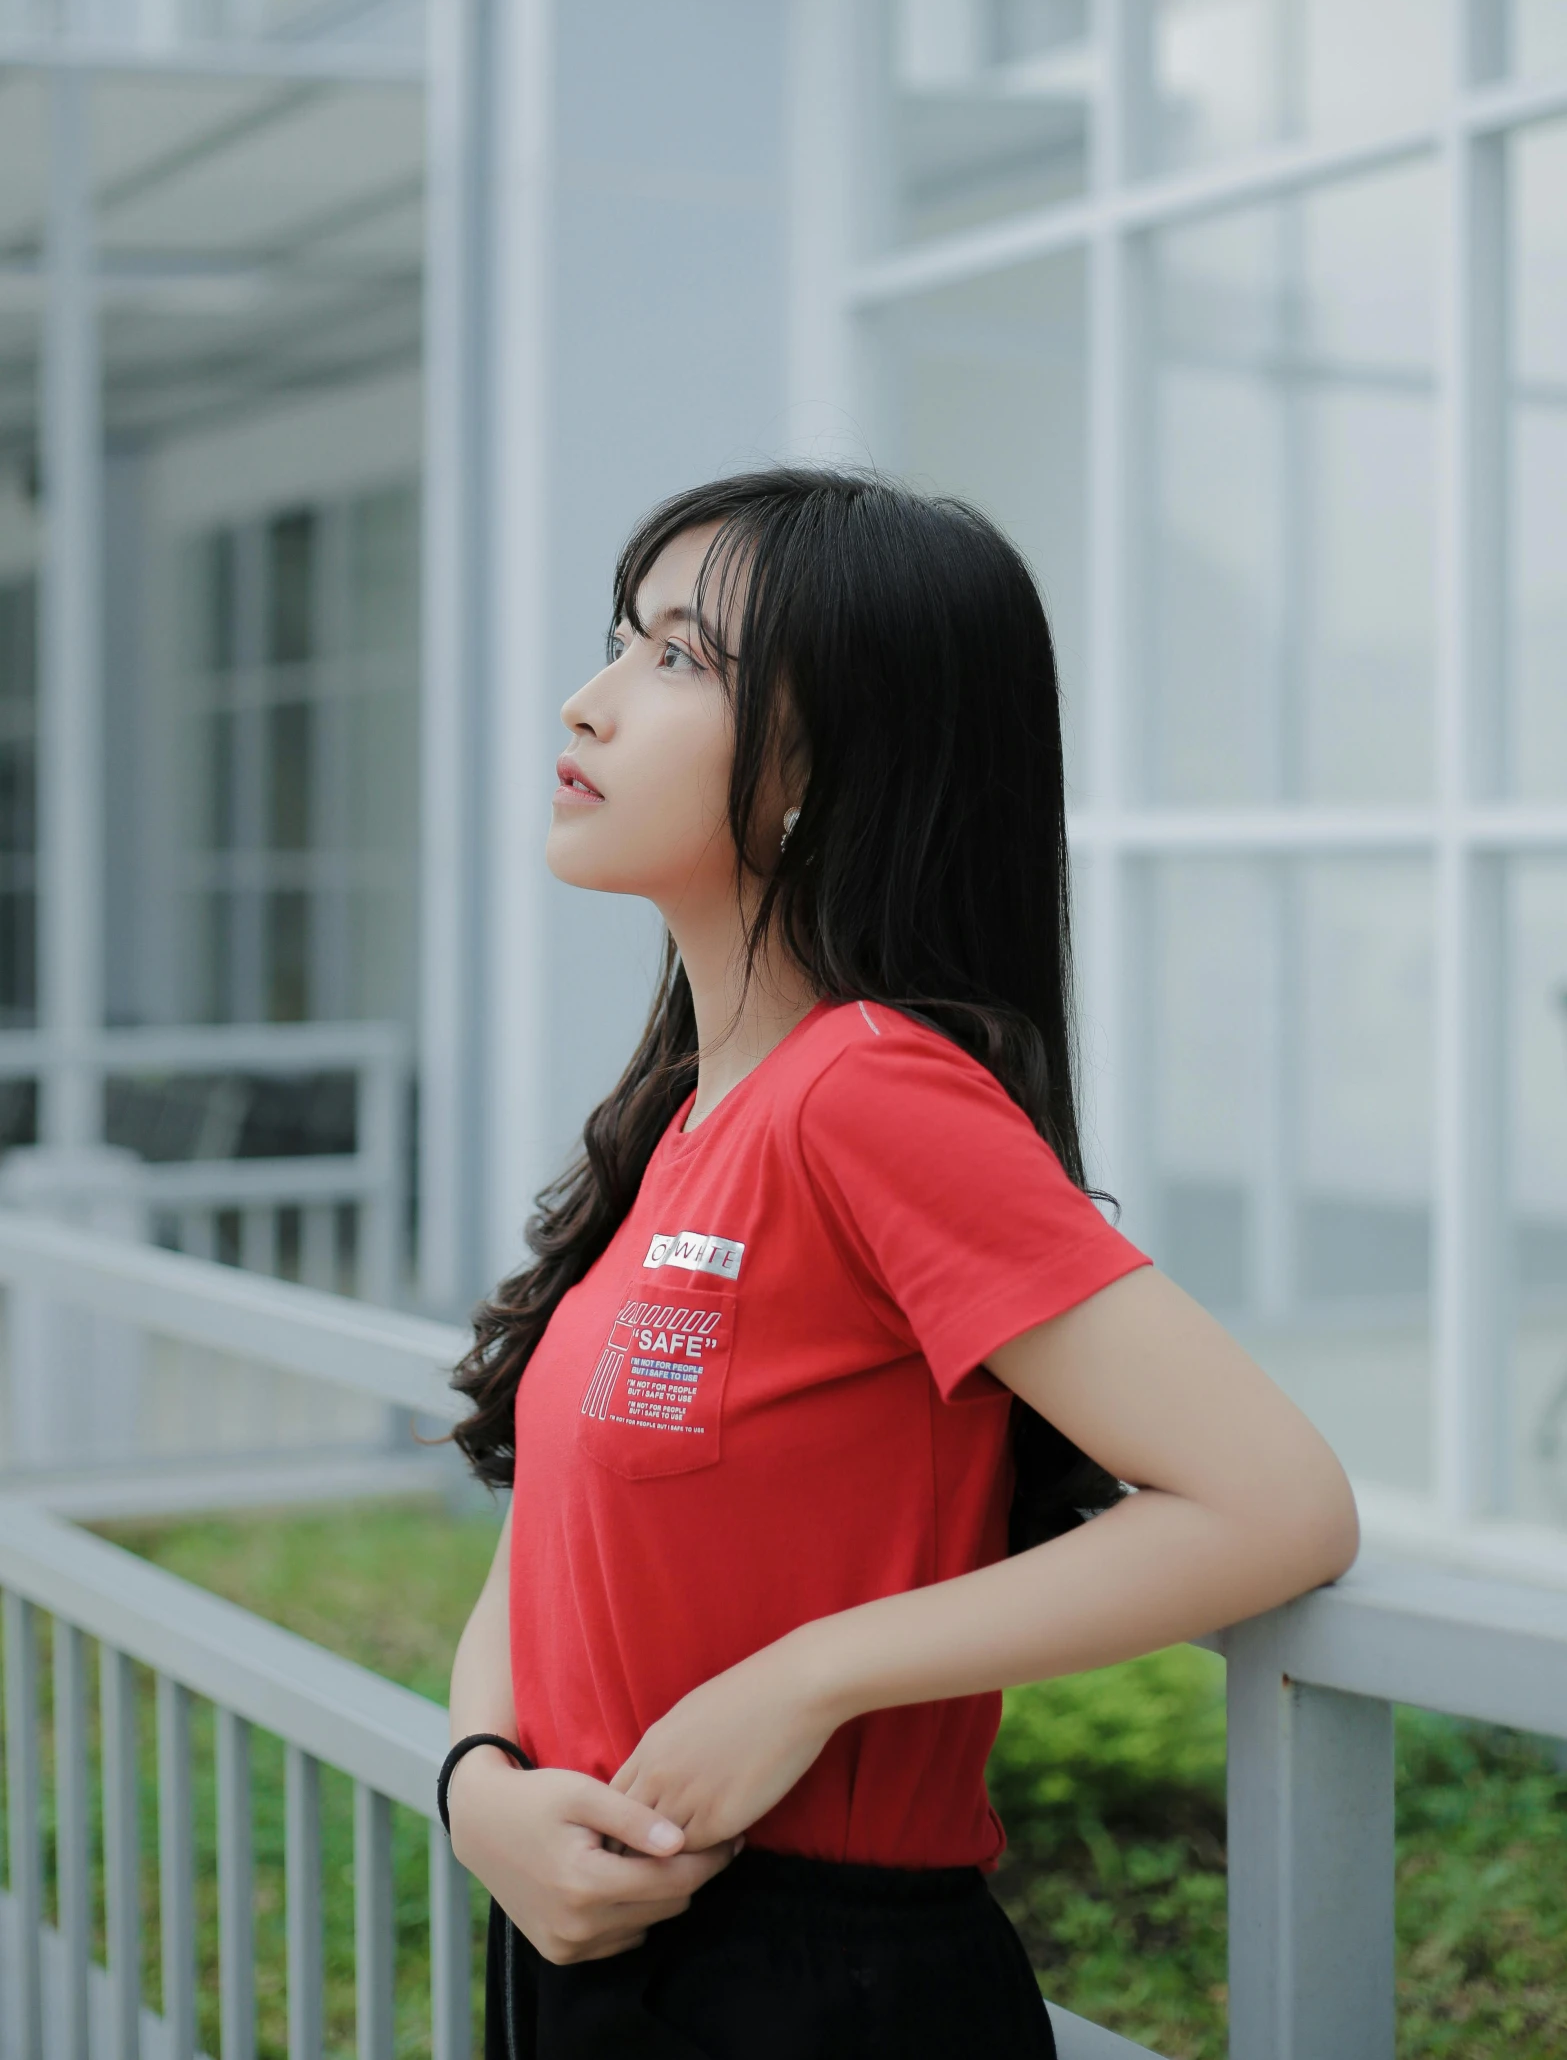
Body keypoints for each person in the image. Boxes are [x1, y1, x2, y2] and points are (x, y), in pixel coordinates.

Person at [441, 468, 1359, 2059]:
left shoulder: (869, 1091)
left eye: (678, 659)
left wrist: (807, 1679)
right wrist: (477, 1786)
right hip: (588, 1939)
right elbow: (550, 1543)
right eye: (617, 642)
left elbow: (1274, 1501)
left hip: (810, 1986)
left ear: (828, 767)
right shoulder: (689, 1112)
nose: (587, 704)